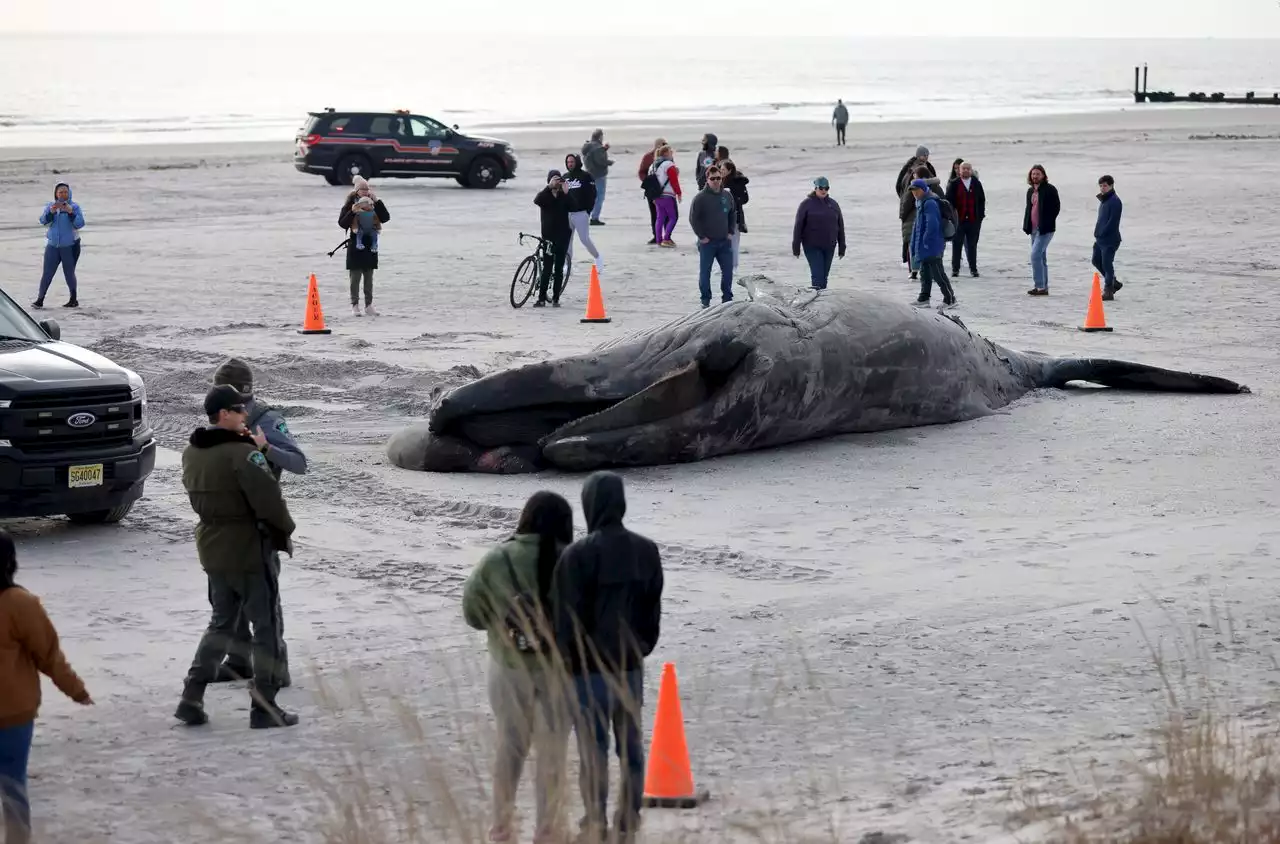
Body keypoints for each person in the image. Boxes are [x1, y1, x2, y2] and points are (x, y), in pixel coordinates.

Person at [174, 384, 298, 730]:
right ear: (224, 415)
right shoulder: (243, 455)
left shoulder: (192, 452)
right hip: (248, 549)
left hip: (213, 546)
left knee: (221, 624)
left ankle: (192, 694)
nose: (247, 415)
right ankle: (265, 706)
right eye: (240, 411)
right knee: (266, 627)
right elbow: (271, 503)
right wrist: (285, 530)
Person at [552, 471, 663, 844]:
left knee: (593, 750)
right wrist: (641, 647)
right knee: (630, 747)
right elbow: (651, 612)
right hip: (629, 667)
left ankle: (595, 819)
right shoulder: (646, 550)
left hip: (587, 673)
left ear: (589, 504)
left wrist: (569, 662)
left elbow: (564, 620)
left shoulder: (576, 555)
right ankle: (629, 818)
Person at [463, 491, 576, 844]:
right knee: (552, 753)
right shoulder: (574, 560)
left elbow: (472, 615)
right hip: (560, 670)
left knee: (510, 748)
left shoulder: (497, 559)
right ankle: (548, 833)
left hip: (507, 669)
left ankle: (502, 831)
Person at [209, 357, 306, 687]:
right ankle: (239, 660)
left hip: (259, 524)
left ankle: (277, 667)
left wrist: (266, 449)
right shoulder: (220, 418)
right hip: (224, 526)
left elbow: (299, 462)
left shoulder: (267, 419)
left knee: (264, 602)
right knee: (225, 596)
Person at [0, 528, 93, 843]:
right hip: (12, 713)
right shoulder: (19, 603)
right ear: (10, 562)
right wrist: (76, 690)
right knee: (12, 784)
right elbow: (49, 656)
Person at [338, 176, 390, 316]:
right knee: (355, 277)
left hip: (370, 244)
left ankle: (369, 305)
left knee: (369, 276)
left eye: (368, 189)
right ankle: (355, 305)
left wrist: (377, 201)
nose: (366, 192)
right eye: (363, 189)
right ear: (357, 191)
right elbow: (342, 223)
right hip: (355, 243)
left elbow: (385, 218)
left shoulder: (373, 203)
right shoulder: (350, 204)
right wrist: (352, 211)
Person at [689, 165, 737, 308]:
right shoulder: (700, 198)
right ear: (707, 179)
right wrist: (701, 236)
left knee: (728, 271)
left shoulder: (727, 195)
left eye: (718, 178)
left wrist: (730, 232)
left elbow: (732, 213)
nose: (716, 181)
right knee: (705, 272)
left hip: (724, 241)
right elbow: (693, 219)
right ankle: (705, 300)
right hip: (707, 242)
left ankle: (727, 298)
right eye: (713, 179)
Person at [33, 182, 85, 310]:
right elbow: (43, 221)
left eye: (65, 192)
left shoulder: (75, 207)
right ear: (56, 194)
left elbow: (80, 224)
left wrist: (71, 212)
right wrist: (51, 212)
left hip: (70, 246)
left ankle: (73, 299)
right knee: (47, 273)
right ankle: (40, 300)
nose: (63, 194)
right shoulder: (50, 206)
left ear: (69, 194)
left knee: (69, 273)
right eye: (60, 192)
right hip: (52, 246)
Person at [909, 178, 958, 311]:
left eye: (916, 190)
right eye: (913, 191)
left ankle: (950, 298)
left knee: (937, 272)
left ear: (923, 189)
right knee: (925, 272)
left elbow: (932, 224)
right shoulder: (920, 202)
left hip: (932, 244)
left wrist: (925, 240)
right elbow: (918, 226)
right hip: (924, 245)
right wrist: (914, 243)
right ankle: (924, 298)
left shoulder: (929, 203)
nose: (914, 193)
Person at [791, 176, 846, 290]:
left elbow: (840, 226)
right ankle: (815, 301)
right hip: (812, 246)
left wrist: (842, 246)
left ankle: (821, 302)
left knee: (824, 278)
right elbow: (798, 226)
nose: (824, 191)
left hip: (829, 246)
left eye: (826, 188)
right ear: (815, 188)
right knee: (818, 277)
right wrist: (796, 246)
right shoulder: (806, 204)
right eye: (821, 188)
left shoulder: (833, 204)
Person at [533, 171, 573, 308]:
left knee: (559, 269)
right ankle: (542, 298)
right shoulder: (545, 196)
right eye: (554, 180)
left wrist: (567, 193)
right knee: (547, 268)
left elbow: (574, 206)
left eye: (558, 180)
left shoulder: (564, 196)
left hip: (562, 236)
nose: (556, 183)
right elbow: (537, 200)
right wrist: (549, 187)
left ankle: (556, 298)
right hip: (548, 237)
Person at [561, 154, 603, 278]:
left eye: (572, 161)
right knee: (567, 241)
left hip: (581, 213)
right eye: (568, 162)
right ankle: (567, 265)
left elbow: (593, 195)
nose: (570, 164)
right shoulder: (565, 177)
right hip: (567, 214)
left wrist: (587, 211)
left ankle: (598, 257)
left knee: (584, 239)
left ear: (577, 162)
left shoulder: (586, 176)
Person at [1022, 164, 1061, 296]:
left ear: (1043, 175)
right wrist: (1026, 225)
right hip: (1033, 229)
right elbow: (1029, 209)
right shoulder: (1030, 191)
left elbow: (1056, 207)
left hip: (1045, 229)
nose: (1035, 176)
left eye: (1038, 174)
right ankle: (1043, 287)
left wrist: (1048, 221)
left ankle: (1040, 286)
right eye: (1033, 174)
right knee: (1041, 258)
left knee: (1035, 255)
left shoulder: (1050, 189)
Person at [900, 165, 944, 280]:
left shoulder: (920, 191)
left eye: (915, 175)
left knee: (915, 246)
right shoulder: (936, 187)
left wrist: (903, 215)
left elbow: (906, 203)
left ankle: (915, 271)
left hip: (915, 220)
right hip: (927, 224)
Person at [945, 161, 986, 278]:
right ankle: (955, 269)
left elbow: (982, 200)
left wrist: (980, 216)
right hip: (959, 220)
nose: (966, 171)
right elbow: (948, 201)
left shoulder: (976, 183)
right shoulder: (954, 183)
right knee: (956, 245)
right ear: (959, 171)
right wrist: (951, 217)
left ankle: (973, 269)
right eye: (964, 169)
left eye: (968, 169)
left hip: (974, 220)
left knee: (972, 245)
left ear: (971, 170)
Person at [1093, 175, 1124, 300]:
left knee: (1106, 263)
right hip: (1100, 238)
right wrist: (1097, 231)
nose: (1102, 188)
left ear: (1111, 186)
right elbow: (1101, 219)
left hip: (1110, 239)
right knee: (1096, 260)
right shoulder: (1104, 200)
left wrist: (1102, 232)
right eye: (1100, 186)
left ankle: (1108, 291)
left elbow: (1113, 222)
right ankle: (1113, 282)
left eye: (1105, 186)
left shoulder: (1115, 201)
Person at [649, 145, 683, 248]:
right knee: (673, 217)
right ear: (666, 153)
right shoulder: (668, 164)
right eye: (670, 152)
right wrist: (679, 193)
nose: (672, 154)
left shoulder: (652, 166)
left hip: (656, 195)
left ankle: (659, 239)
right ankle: (667, 238)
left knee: (660, 217)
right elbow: (674, 180)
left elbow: (649, 182)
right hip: (668, 194)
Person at [719, 159, 749, 270]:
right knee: (722, 243)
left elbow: (745, 199)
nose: (721, 171)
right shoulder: (719, 181)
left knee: (734, 243)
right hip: (721, 217)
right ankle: (723, 266)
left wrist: (733, 199)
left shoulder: (737, 182)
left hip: (735, 216)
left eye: (723, 170)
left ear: (729, 170)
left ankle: (734, 266)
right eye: (720, 169)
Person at [637, 137, 667, 245]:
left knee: (667, 213)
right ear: (657, 145)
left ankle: (667, 236)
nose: (665, 146)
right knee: (654, 213)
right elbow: (641, 172)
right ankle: (656, 235)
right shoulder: (648, 157)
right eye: (663, 144)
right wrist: (648, 182)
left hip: (665, 189)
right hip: (652, 190)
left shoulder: (667, 157)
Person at [581, 129, 614, 225]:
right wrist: (609, 162)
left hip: (590, 173)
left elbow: (593, 156)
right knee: (599, 197)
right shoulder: (597, 147)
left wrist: (604, 149)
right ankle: (594, 218)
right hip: (599, 175)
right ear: (600, 137)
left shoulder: (587, 146)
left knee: (590, 196)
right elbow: (600, 160)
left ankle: (586, 216)